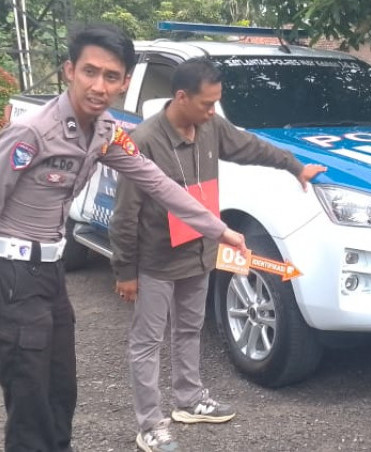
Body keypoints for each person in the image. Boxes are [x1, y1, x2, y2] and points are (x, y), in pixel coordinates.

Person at [0, 24, 246, 452]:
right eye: (89, 72)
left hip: (51, 272)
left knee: (61, 387)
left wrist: (219, 230)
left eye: (111, 76)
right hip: (14, 273)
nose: (99, 86)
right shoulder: (33, 132)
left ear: (125, 82)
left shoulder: (106, 132)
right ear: (69, 70)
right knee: (29, 390)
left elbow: (159, 182)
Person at [109, 57, 326, 452]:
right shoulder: (144, 141)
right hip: (156, 260)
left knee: (189, 328)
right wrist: (126, 270)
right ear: (181, 97)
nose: (213, 112)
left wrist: (294, 167)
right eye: (207, 104)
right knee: (147, 342)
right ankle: (150, 424)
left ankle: (189, 400)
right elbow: (125, 214)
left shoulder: (211, 127)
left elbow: (253, 147)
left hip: (200, 252)